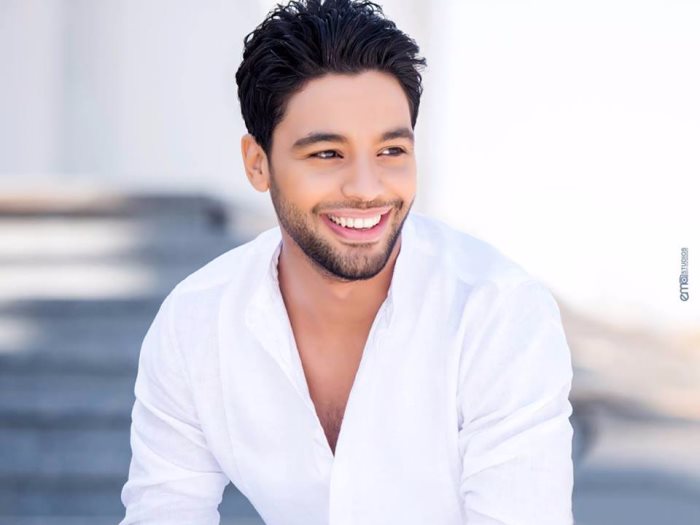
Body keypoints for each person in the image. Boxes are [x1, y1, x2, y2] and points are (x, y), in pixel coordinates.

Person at [119, 0, 574, 523]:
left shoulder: (497, 314)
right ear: (257, 164)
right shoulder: (196, 323)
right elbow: (165, 510)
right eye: (327, 154)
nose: (365, 189)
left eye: (391, 152)